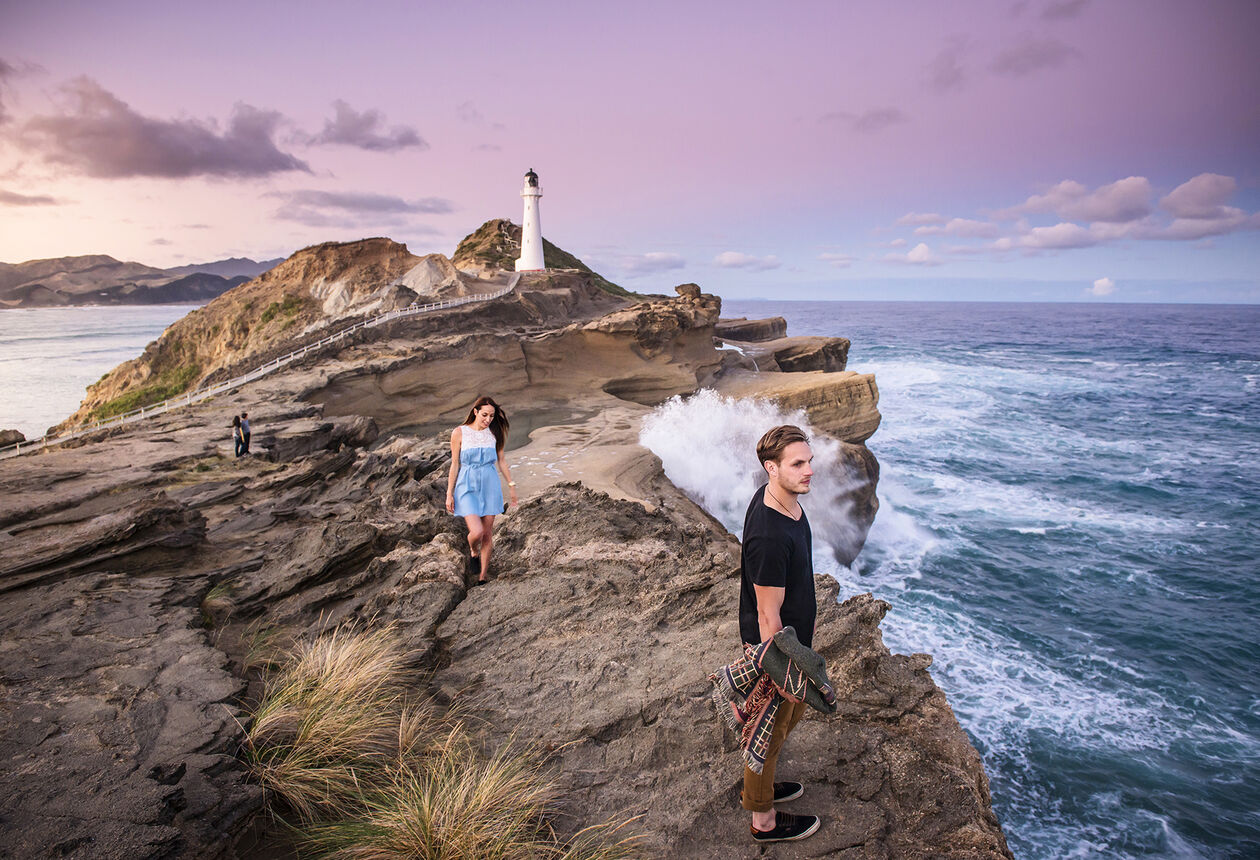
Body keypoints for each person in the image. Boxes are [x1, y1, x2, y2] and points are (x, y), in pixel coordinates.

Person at [737, 424, 821, 843]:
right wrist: (780, 671)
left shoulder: (781, 500)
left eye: (809, 461)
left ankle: (764, 788)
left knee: (785, 722)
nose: (809, 471)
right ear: (772, 468)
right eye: (798, 464)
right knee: (768, 733)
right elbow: (767, 613)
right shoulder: (769, 535)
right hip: (778, 650)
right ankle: (764, 820)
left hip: (794, 642)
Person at [445, 396, 518, 585]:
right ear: (475, 412)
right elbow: (454, 464)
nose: (488, 419)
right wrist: (449, 493)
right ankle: (473, 551)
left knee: (486, 534)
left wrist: (511, 486)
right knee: (476, 532)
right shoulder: (459, 432)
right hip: (466, 485)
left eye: (492, 416)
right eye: (485, 415)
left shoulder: (494, 433)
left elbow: (502, 461)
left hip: (490, 485)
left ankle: (483, 577)